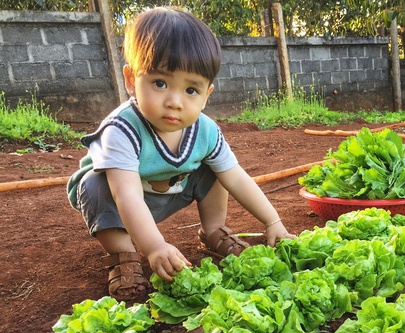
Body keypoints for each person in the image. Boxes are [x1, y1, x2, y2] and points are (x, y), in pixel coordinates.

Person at [67, 6, 294, 301]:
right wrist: (154, 247)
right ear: (131, 80)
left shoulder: (206, 131)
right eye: (160, 83)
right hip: (120, 202)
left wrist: (272, 222)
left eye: (191, 90)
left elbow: (236, 178)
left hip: (171, 192)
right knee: (95, 184)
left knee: (215, 169)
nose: (174, 102)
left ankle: (213, 231)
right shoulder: (121, 130)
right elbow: (127, 196)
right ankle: (124, 255)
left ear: (206, 95)